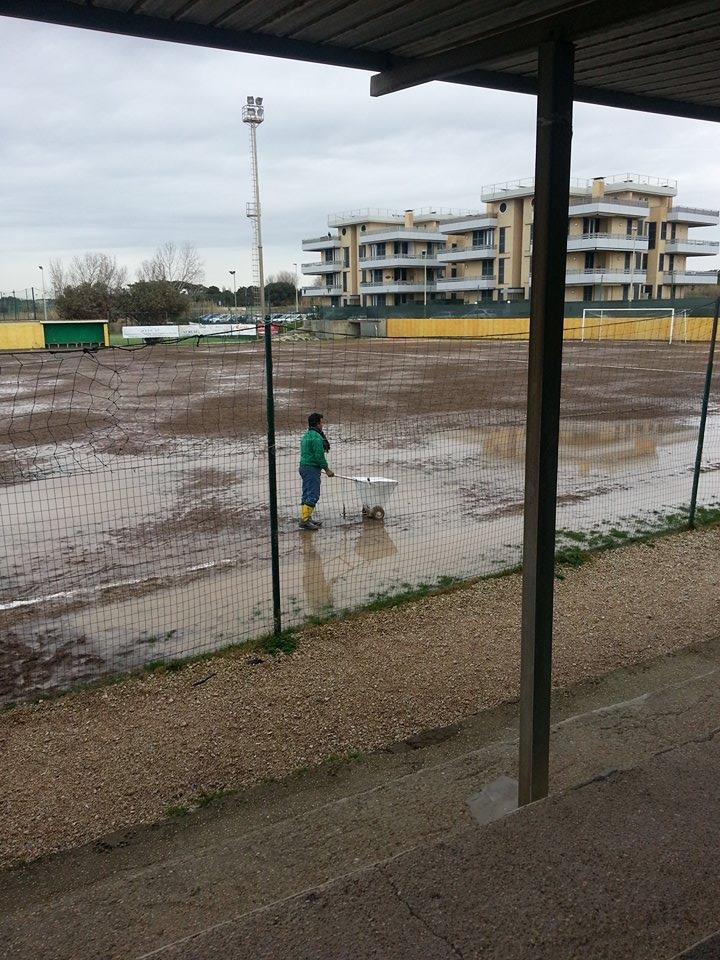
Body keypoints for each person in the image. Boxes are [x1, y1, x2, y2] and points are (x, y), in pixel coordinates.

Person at [299, 412, 334, 530]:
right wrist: (327, 469)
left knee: (306, 493)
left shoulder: (306, 435)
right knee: (313, 494)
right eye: (321, 422)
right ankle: (304, 521)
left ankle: (307, 517)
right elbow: (319, 456)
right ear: (317, 423)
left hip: (304, 467)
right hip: (311, 469)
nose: (322, 425)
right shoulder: (317, 437)